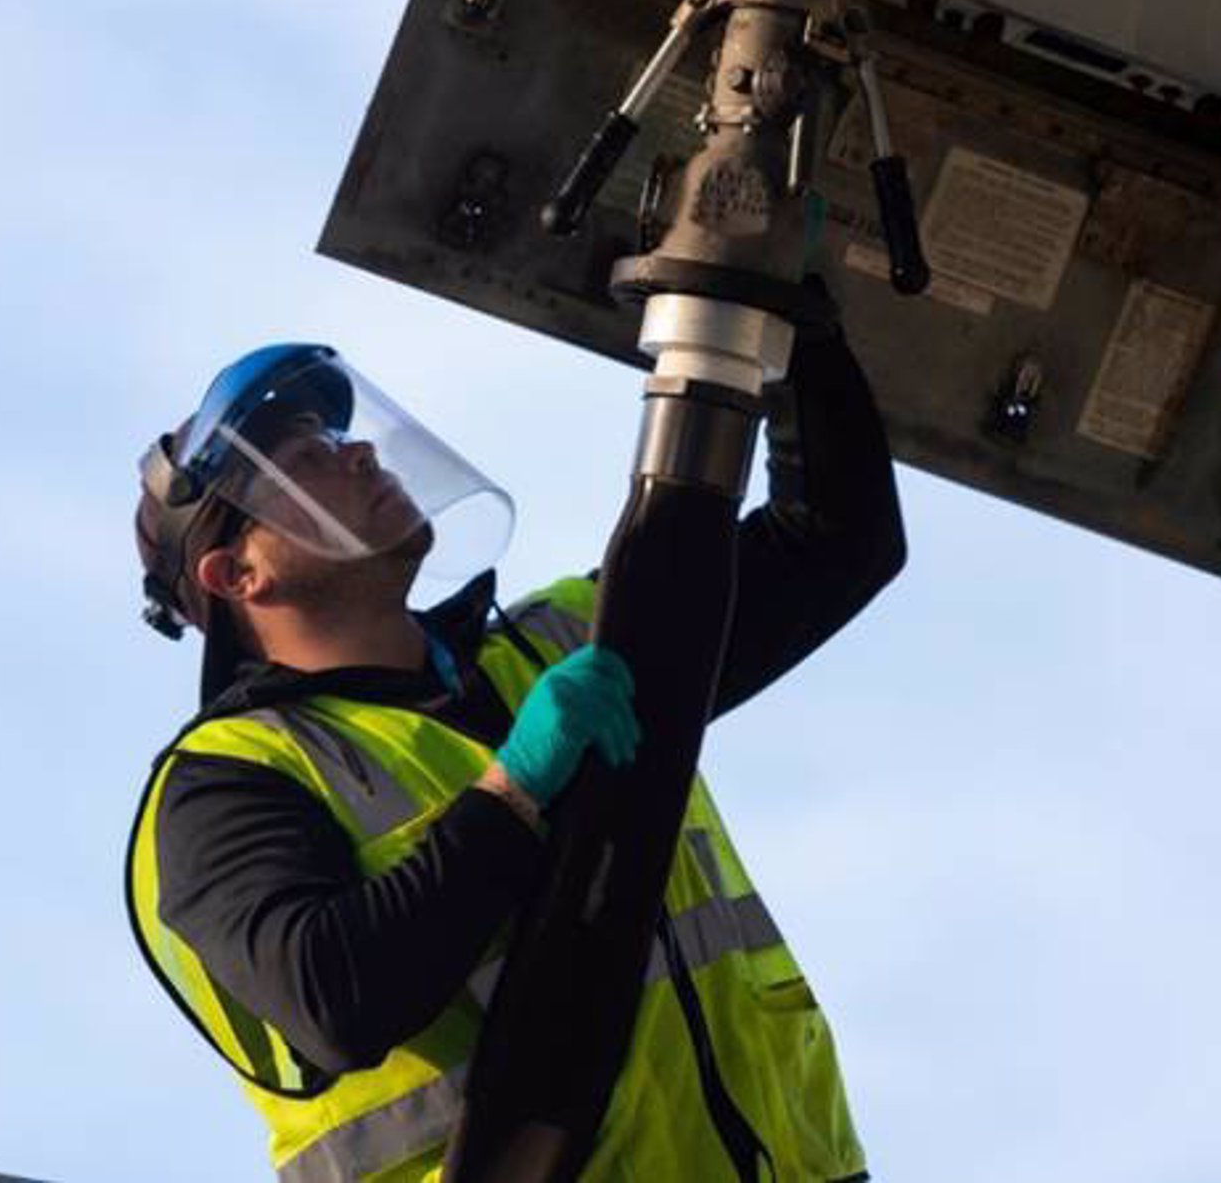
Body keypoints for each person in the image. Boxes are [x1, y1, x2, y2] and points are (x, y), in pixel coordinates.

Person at [128, 303, 905, 1181]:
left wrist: (795, 324)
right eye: (304, 461)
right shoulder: (227, 782)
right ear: (238, 574)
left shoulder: (564, 644)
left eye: (338, 439)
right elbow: (334, 997)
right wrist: (512, 793)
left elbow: (839, 537)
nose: (360, 453)